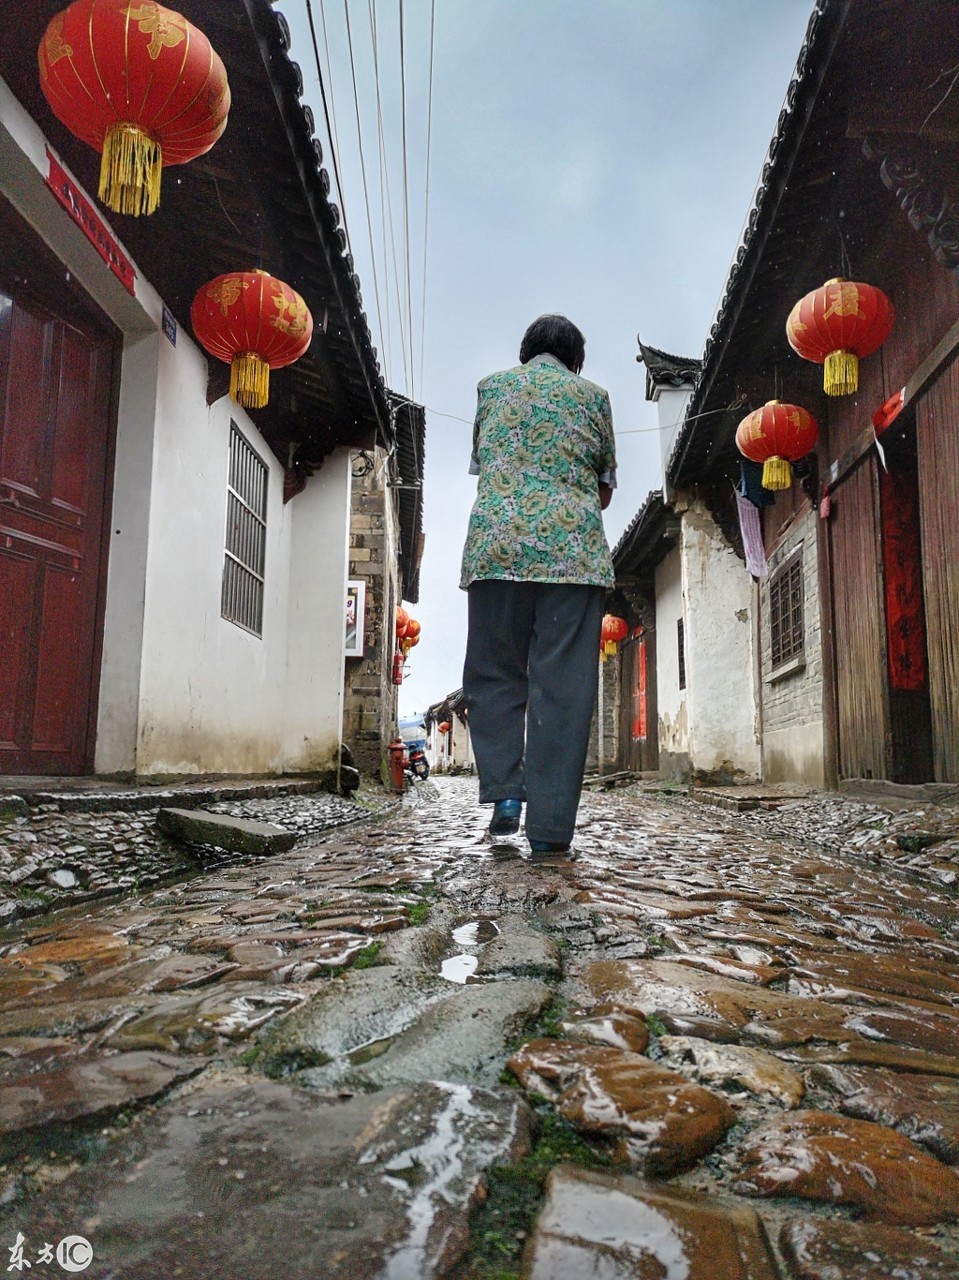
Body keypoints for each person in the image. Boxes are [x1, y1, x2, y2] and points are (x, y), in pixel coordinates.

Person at [460, 313, 616, 854]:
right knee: (563, 690)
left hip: (498, 551)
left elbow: (486, 465)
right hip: (572, 559)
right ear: (576, 360)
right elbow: (603, 492)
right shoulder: (593, 398)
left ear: (526, 351)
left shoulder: (491, 389)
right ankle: (550, 832)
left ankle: (506, 792)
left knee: (494, 672)